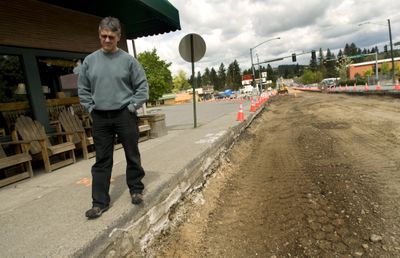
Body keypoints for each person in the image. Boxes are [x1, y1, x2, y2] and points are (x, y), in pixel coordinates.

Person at [78, 16, 149, 219]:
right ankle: (99, 203)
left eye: (111, 36)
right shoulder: (90, 61)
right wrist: (91, 108)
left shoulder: (128, 61)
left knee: (132, 154)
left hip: (124, 115)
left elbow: (142, 87)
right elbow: (83, 88)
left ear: (118, 37)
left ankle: (136, 189)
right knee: (102, 160)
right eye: (103, 36)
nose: (107, 40)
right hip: (100, 117)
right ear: (99, 35)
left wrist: (132, 106)